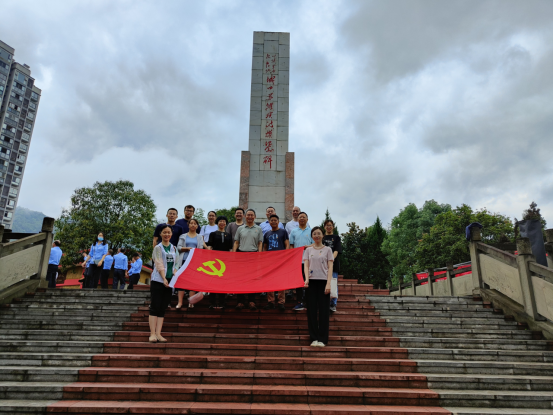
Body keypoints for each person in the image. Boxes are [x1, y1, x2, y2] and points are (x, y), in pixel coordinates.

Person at [303, 226, 334, 347]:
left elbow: (330, 267)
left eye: (319, 233)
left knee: (324, 311)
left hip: (323, 282)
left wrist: (328, 283)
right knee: (311, 311)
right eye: (314, 234)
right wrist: (306, 279)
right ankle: (314, 338)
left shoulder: (328, 250)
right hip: (311, 282)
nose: (317, 235)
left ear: (322, 235)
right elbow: (306, 265)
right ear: (312, 236)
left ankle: (322, 339)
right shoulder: (308, 250)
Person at [149, 224, 179, 343]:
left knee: (162, 307)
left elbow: (177, 263)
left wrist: (174, 272)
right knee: (155, 306)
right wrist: (164, 277)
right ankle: (152, 334)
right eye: (164, 232)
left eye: (169, 232)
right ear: (160, 234)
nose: (167, 234)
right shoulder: (158, 248)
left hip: (170, 281)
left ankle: (158, 333)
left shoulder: (174, 248)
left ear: (171, 234)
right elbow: (158, 263)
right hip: (158, 280)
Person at [232, 208, 263, 310]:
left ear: (255, 217)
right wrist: (234, 254)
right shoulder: (240, 228)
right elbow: (236, 242)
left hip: (253, 256)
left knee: (252, 279)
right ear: (245, 216)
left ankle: (251, 301)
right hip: (241, 255)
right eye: (248, 215)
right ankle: (240, 301)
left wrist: (259, 255)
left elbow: (260, 243)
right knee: (240, 279)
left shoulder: (258, 229)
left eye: (251, 215)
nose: (250, 217)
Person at [176, 218, 208, 309]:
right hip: (183, 260)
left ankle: (191, 302)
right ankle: (180, 303)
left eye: (195, 224)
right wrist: (187, 249)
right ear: (188, 225)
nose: (193, 225)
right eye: (191, 223)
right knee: (181, 281)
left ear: (197, 226)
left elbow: (200, 249)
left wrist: (194, 251)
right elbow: (178, 247)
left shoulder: (199, 237)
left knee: (192, 281)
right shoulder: (183, 236)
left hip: (194, 261)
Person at [206, 215, 233, 309]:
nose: (222, 223)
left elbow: (230, 248)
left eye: (224, 221)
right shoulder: (213, 234)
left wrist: (231, 259)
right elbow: (210, 246)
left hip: (225, 262)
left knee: (223, 281)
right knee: (213, 281)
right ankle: (212, 302)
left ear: (226, 224)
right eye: (220, 221)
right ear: (217, 223)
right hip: (214, 261)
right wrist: (209, 258)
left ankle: (222, 302)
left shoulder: (229, 235)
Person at [263, 214, 289, 311]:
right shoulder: (267, 234)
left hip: (280, 261)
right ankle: (271, 302)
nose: (273, 222)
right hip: (269, 261)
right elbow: (265, 248)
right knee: (269, 280)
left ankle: (281, 302)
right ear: (269, 222)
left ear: (278, 222)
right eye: (271, 220)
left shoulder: (283, 232)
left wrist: (286, 257)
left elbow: (287, 245)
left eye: (275, 220)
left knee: (281, 281)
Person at [289, 212, 313, 311]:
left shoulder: (311, 231)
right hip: (297, 261)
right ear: (297, 219)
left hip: (309, 261)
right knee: (299, 282)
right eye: (300, 217)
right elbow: (291, 245)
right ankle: (299, 302)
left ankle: (309, 302)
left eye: (304, 217)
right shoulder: (293, 231)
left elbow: (315, 244)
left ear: (307, 219)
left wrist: (308, 247)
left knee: (308, 282)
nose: (302, 218)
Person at [322, 220, 342, 312]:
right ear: (324, 227)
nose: (328, 227)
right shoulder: (322, 237)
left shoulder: (336, 238)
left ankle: (333, 303)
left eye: (330, 225)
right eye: (327, 225)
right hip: (322, 264)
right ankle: (323, 302)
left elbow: (336, 250)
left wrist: (331, 259)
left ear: (333, 227)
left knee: (333, 283)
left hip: (333, 264)